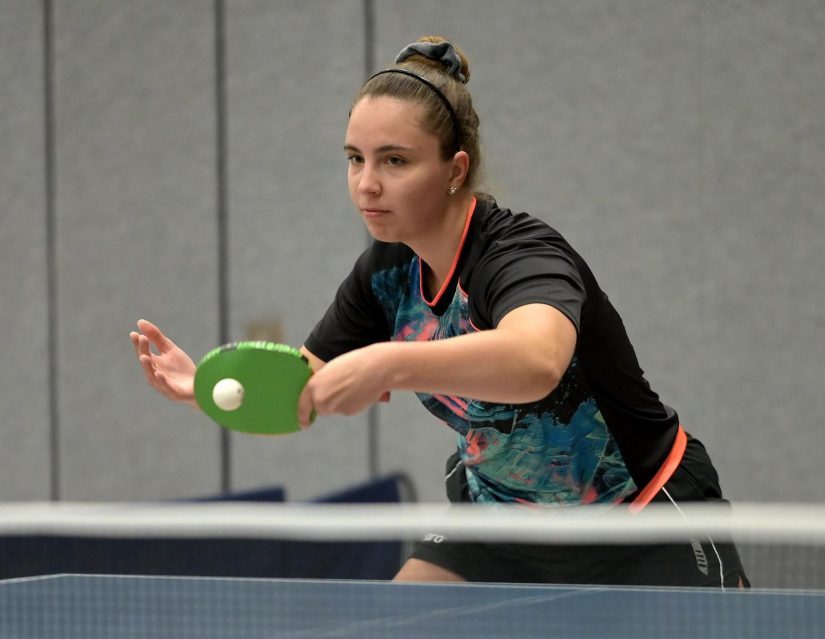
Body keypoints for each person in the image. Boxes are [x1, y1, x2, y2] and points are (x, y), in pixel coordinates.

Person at [131, 36, 748, 588]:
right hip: (502, 527)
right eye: (355, 158)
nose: (366, 184)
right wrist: (209, 390)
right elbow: (305, 387)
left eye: (394, 160)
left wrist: (392, 363)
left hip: (640, 522)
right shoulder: (385, 272)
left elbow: (536, 362)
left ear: (455, 170)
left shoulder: (518, 254)